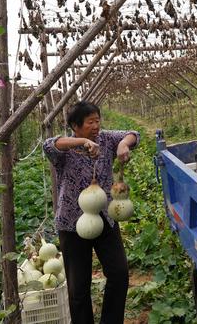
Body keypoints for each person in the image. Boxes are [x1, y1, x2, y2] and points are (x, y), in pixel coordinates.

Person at [43, 101, 139, 324]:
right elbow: (49, 145)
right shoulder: (65, 150)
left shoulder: (106, 139)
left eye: (98, 120)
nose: (96, 126)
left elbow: (133, 134)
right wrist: (83, 142)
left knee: (119, 273)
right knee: (78, 287)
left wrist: (124, 143)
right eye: (90, 122)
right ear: (76, 126)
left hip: (104, 218)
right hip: (72, 223)